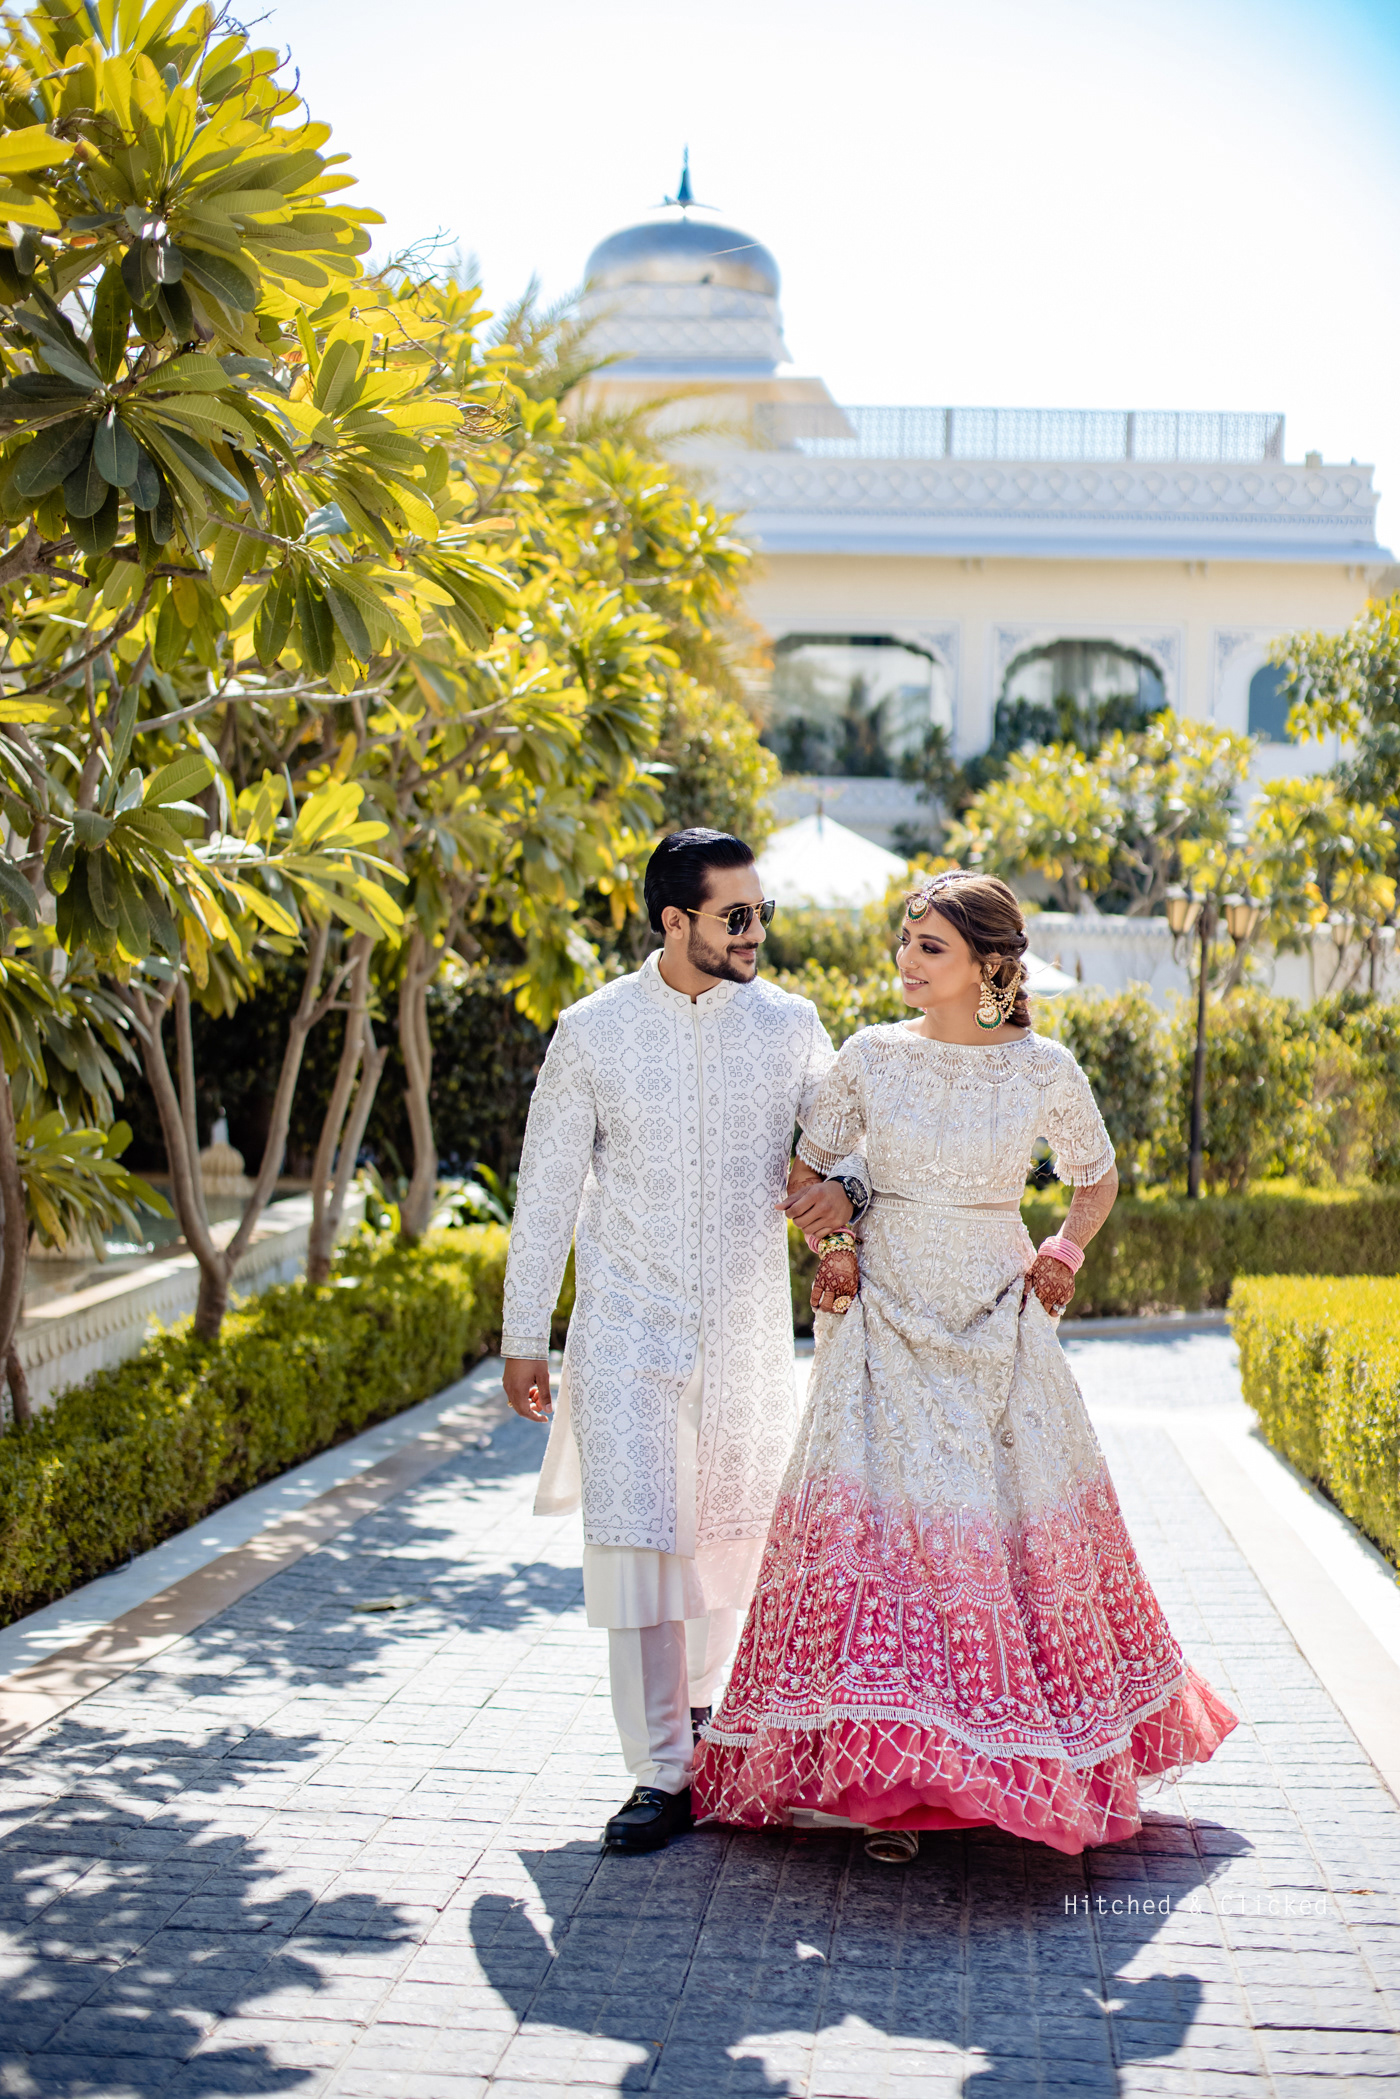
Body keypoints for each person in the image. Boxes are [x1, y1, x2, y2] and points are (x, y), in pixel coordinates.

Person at [693, 869, 1237, 1861]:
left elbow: (1096, 1176)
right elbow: (807, 1170)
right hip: (884, 1316)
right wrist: (835, 1244)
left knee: (985, 1539)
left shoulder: (1041, 1068)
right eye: (905, 940)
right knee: (887, 1541)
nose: (905, 959)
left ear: (988, 964)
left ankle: (984, 1763)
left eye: (929, 946)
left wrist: (1063, 1252)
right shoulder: (868, 1057)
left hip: (997, 1316)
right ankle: (896, 1783)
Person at [501, 829, 869, 1856]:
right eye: (735, 916)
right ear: (675, 921)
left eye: (760, 913)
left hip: (744, 1334)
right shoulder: (592, 1031)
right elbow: (546, 1190)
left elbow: (851, 1142)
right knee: (638, 1544)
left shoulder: (790, 1025)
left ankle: (709, 1721)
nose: (755, 932)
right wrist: (523, 1333)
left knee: (728, 1542)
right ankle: (659, 1769)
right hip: (624, 1330)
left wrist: (847, 1191)